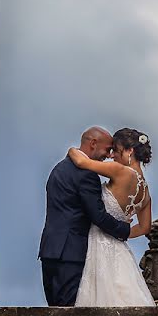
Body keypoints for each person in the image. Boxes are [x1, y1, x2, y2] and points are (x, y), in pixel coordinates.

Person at [38, 127, 131, 306]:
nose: (109, 154)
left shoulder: (59, 168)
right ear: (93, 143)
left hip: (50, 250)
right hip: (71, 253)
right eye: (107, 149)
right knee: (69, 308)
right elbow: (98, 215)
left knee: (55, 308)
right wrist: (125, 229)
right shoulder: (87, 174)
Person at [68, 127, 156, 307]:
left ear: (130, 150)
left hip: (99, 244)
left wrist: (72, 149)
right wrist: (121, 231)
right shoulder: (145, 192)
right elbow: (145, 227)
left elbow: (80, 162)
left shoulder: (120, 171)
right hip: (120, 250)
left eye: (116, 150)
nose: (112, 155)